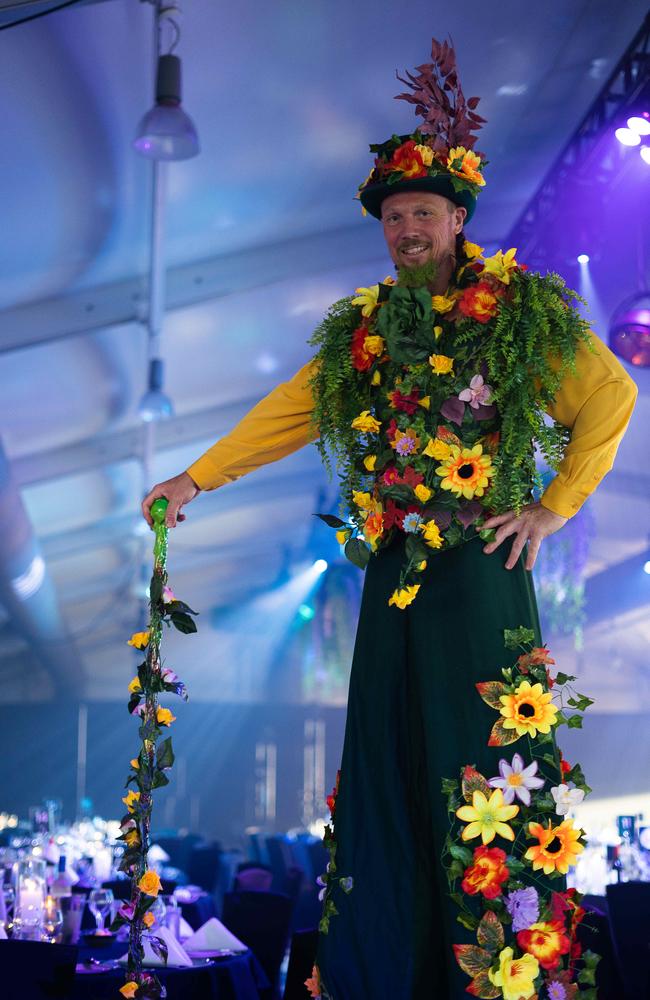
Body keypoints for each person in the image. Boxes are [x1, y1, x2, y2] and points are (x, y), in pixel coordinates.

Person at [142, 38, 637, 1000]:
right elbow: (292, 409)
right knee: (387, 743)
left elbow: (609, 393)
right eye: (394, 215)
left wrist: (550, 507)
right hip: (394, 563)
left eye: (424, 212)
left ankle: (503, 970)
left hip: (484, 562)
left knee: (484, 753)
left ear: (458, 219)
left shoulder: (518, 311)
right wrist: (194, 481)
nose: (408, 227)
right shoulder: (365, 331)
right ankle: (388, 967)